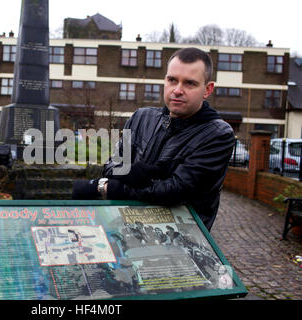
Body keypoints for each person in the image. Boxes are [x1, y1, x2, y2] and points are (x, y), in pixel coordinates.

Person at [72, 47, 235, 231]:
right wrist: (132, 174)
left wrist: (105, 188)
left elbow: (174, 191)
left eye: (189, 83)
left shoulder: (218, 134)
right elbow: (111, 167)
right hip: (126, 229)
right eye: (172, 80)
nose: (177, 90)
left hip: (178, 240)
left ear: (207, 89)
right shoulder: (141, 118)